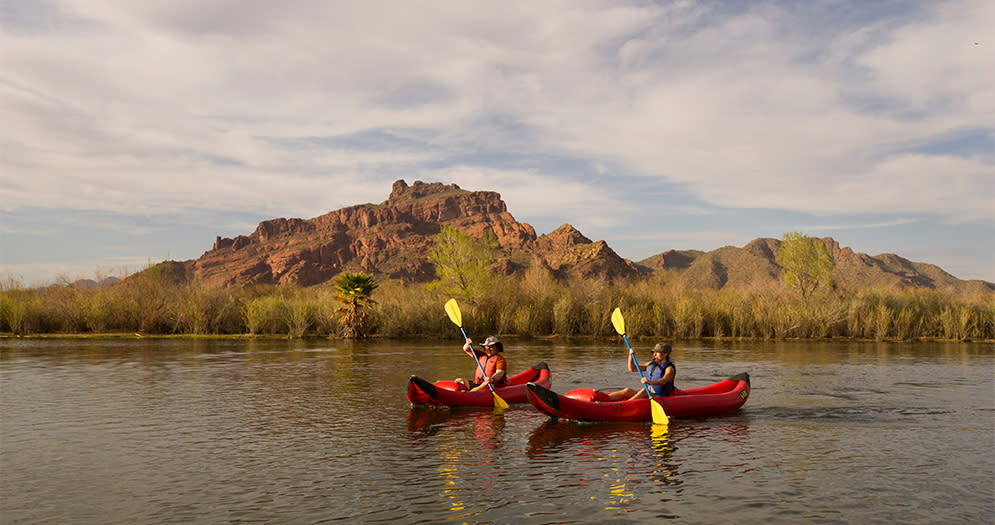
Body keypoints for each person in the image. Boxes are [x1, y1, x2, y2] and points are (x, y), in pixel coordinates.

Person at [605, 342, 676, 401]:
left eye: (657, 353)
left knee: (644, 391)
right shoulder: (651, 364)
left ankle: (624, 405)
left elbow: (663, 381)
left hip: (660, 397)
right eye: (654, 352)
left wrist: (649, 382)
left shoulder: (669, 368)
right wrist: (630, 356)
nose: (654, 355)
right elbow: (632, 369)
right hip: (649, 394)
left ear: (665, 354)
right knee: (627, 390)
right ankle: (603, 399)